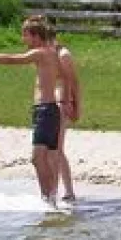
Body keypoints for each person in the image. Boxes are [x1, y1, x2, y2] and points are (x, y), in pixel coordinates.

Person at [0, 16, 66, 206]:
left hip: (44, 111)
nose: (22, 39)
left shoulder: (40, 53)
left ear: (35, 36)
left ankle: (48, 199)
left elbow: (12, 59)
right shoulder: (52, 52)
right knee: (47, 158)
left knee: (37, 159)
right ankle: (52, 198)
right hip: (51, 111)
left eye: (25, 35)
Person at [49, 24, 81, 202]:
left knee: (58, 148)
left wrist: (74, 105)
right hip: (52, 102)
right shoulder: (50, 54)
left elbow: (73, 82)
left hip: (62, 102)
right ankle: (60, 189)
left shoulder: (63, 55)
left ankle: (67, 190)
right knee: (54, 148)